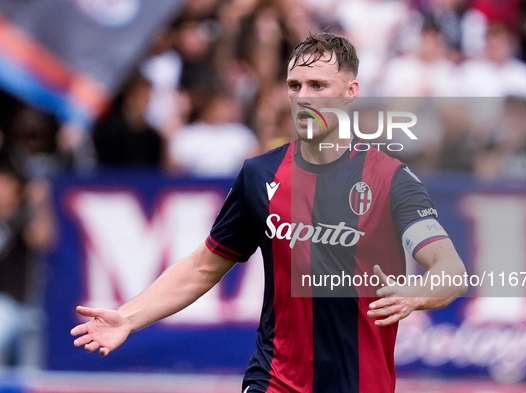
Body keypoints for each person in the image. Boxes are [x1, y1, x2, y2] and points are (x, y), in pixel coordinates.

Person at [71, 32, 467, 393]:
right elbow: (203, 267)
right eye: (295, 86)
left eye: (318, 86)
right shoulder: (259, 175)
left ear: (350, 92)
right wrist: (128, 317)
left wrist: (416, 293)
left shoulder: (390, 179)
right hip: (275, 381)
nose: (304, 97)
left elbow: (450, 270)